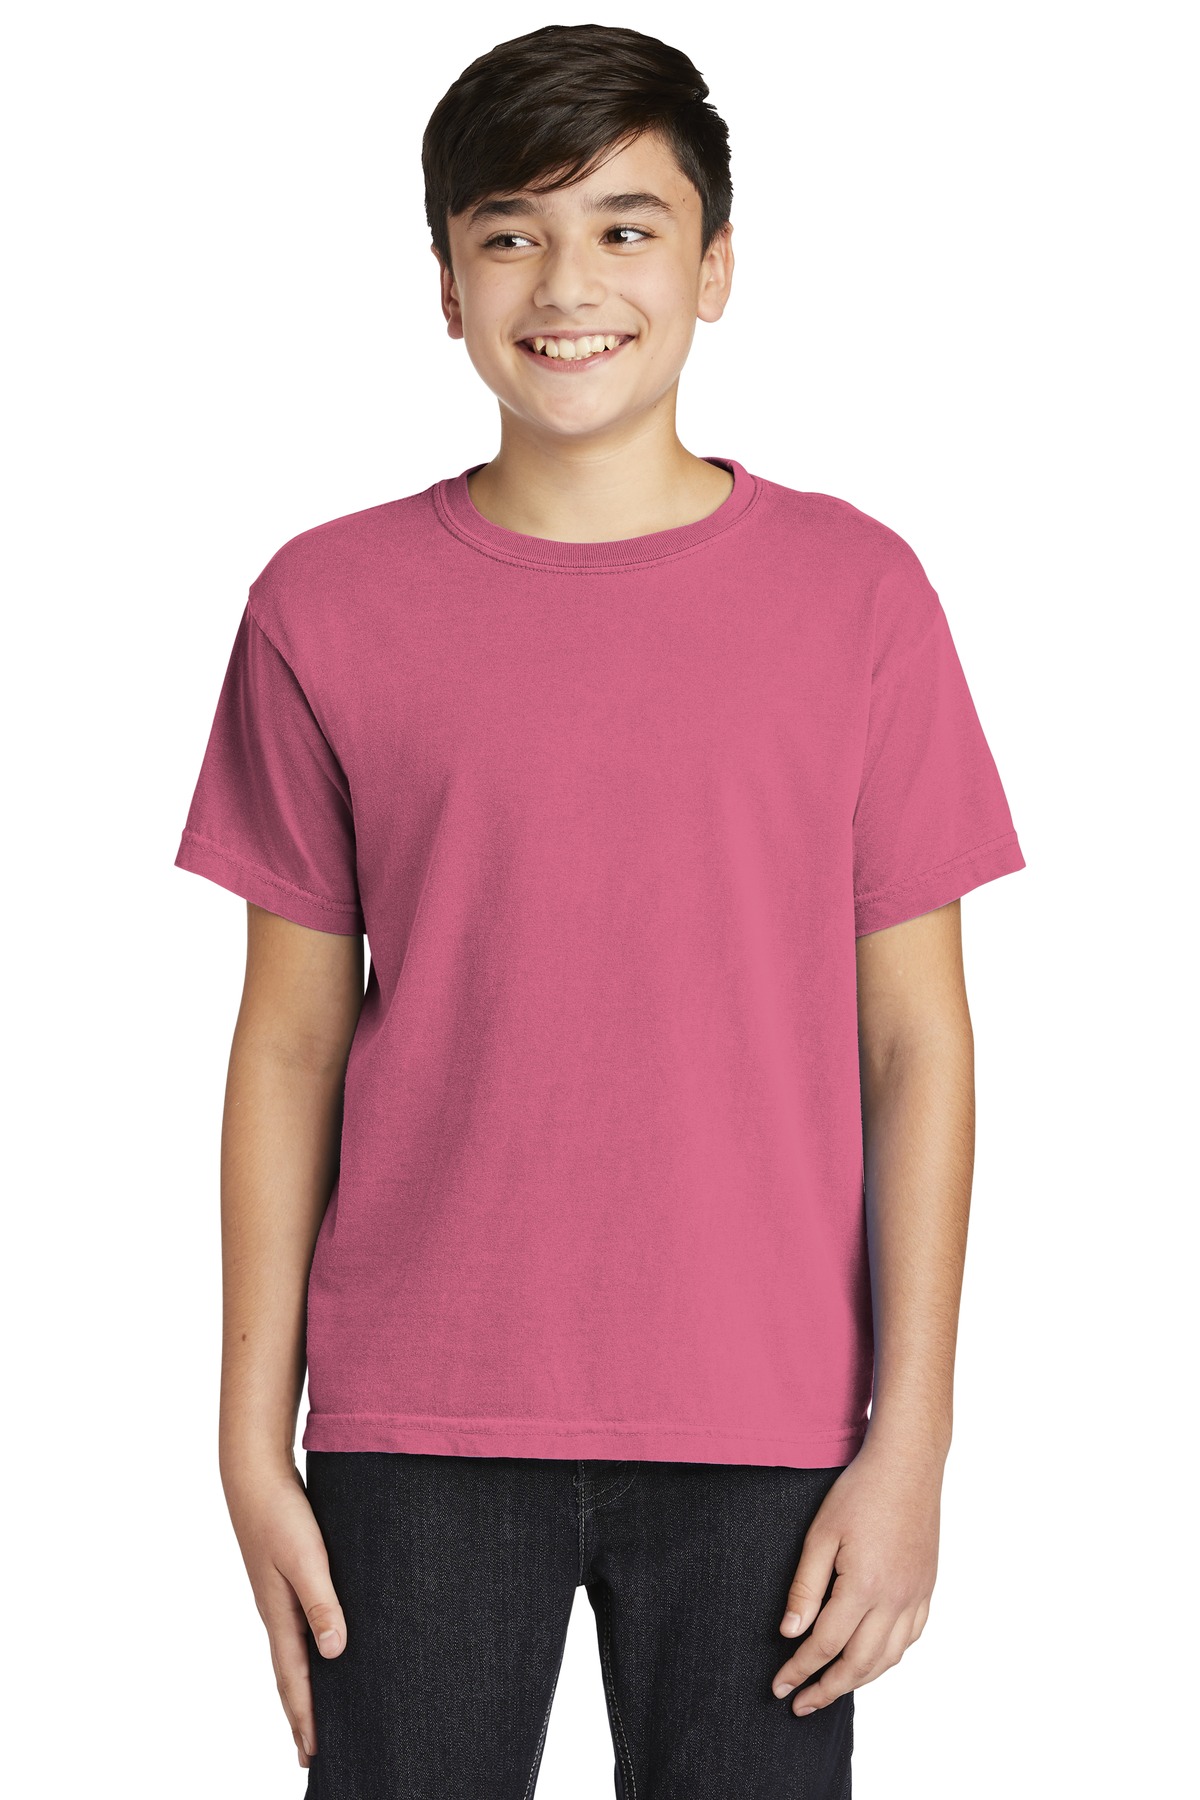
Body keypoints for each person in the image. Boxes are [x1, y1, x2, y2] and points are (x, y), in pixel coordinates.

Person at [174, 22, 1026, 1798]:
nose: (567, 284)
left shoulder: (860, 595)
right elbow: (287, 1045)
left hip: (771, 1416)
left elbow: (917, 1044)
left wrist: (917, 1442)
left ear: (715, 268)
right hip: (416, 1413)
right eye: (511, 234)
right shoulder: (324, 604)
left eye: (627, 228)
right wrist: (252, 1437)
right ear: (447, 285)